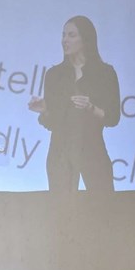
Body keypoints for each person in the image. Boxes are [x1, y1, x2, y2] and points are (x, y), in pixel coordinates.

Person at [28, 15, 120, 192]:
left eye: (71, 35)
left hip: (93, 150)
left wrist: (91, 108)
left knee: (102, 204)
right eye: (63, 35)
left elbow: (113, 117)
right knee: (62, 207)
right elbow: (52, 123)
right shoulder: (54, 75)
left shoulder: (105, 73)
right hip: (60, 153)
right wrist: (45, 110)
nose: (65, 40)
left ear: (85, 39)